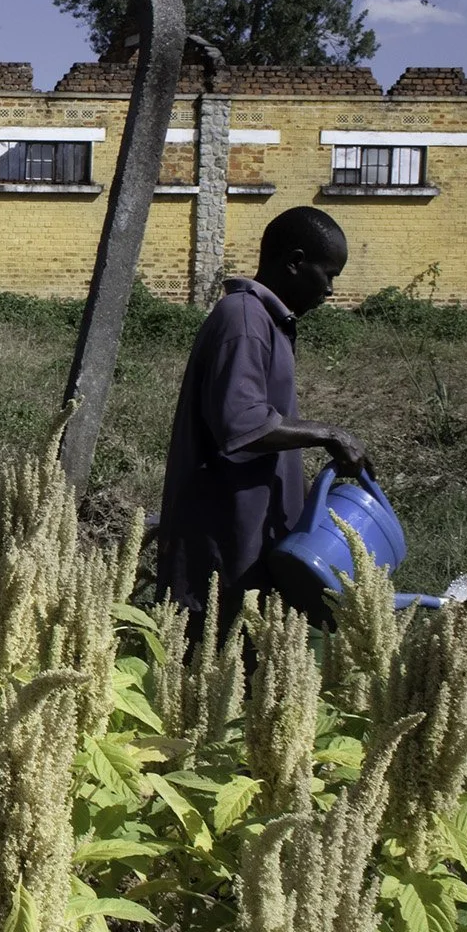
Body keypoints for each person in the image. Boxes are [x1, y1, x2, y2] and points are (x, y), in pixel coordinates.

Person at [156, 205, 371, 633]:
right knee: (218, 667)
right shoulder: (243, 320)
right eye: (328, 274)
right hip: (224, 539)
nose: (330, 290)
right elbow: (242, 422)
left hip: (252, 533)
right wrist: (329, 435)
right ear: (294, 262)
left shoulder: (267, 322)